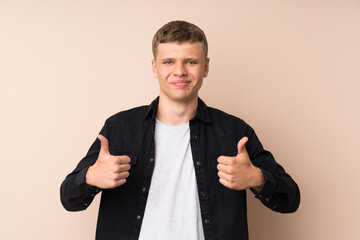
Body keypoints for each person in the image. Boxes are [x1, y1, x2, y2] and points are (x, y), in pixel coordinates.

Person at [60, 20, 300, 240]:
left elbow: (291, 199)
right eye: (169, 62)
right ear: (155, 68)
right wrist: (91, 177)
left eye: (191, 61)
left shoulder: (235, 132)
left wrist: (257, 179)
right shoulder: (119, 127)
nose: (180, 71)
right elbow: (69, 198)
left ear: (205, 67)